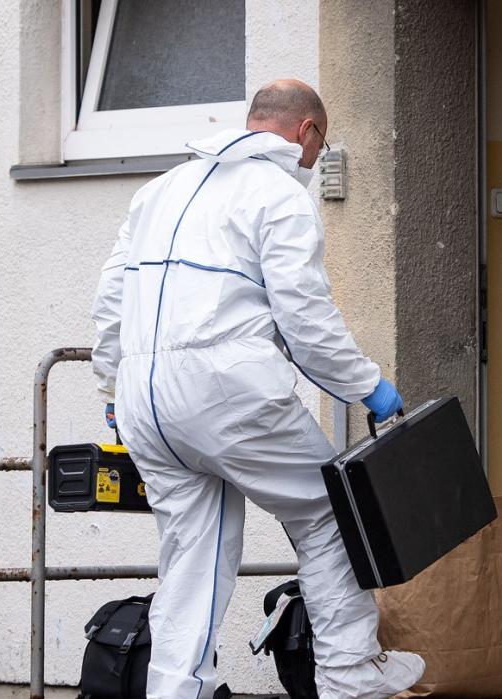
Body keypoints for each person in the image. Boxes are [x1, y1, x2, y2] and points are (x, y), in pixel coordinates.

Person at [90, 78, 424, 699]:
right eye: (320, 147)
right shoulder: (279, 195)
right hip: (227, 391)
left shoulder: (158, 191)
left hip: (144, 401)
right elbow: (304, 319)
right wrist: (367, 385)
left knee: (193, 551)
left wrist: (113, 386)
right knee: (330, 513)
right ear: (306, 132)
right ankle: (352, 678)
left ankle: (173, 690)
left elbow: (111, 299)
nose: (316, 161)